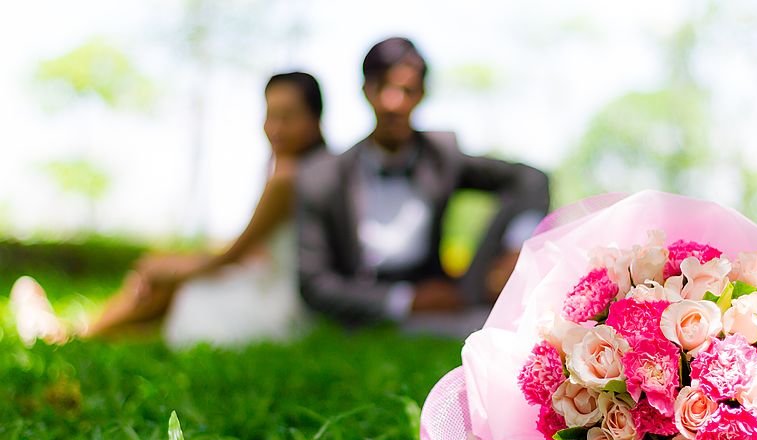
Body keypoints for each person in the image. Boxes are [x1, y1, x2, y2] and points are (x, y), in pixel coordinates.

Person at [11, 71, 326, 348]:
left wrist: (170, 267)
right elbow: (257, 248)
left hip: (277, 305)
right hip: (286, 297)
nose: (276, 128)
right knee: (168, 289)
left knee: (169, 284)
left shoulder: (286, 180)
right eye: (271, 115)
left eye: (288, 117)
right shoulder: (318, 171)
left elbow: (235, 253)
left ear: (315, 119)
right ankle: (77, 333)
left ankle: (68, 335)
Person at [295, 37, 549, 334]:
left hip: (443, 294)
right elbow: (314, 285)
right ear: (365, 91)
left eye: (406, 90)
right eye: (382, 87)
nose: (393, 103)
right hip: (365, 302)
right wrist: (404, 300)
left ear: (422, 94)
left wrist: (515, 248)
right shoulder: (322, 177)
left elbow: (532, 178)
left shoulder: (442, 155)